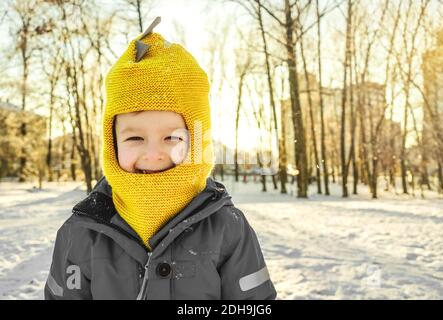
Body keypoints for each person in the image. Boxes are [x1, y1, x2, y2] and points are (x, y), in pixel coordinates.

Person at [44, 17, 277, 300]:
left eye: (172, 138)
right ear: (111, 143)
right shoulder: (80, 233)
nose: (153, 154)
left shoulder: (228, 228)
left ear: (196, 141)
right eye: (134, 138)